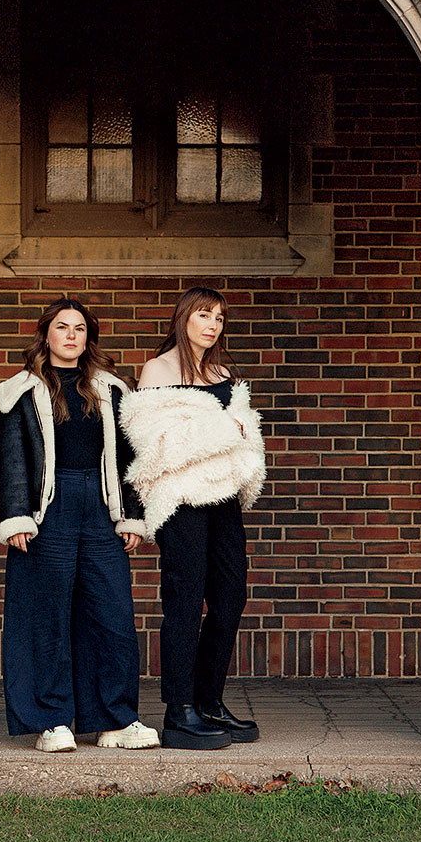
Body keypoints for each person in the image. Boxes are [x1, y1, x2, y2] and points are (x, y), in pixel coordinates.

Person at [0, 297, 158, 752]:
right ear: (45, 334)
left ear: (89, 337)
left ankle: (115, 720)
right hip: (49, 509)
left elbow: (129, 458)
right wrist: (16, 516)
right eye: (62, 327)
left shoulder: (112, 389)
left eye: (80, 328)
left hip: (102, 507)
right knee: (45, 614)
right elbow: (11, 460)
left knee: (112, 614)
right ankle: (52, 720)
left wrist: (132, 515)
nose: (72, 335)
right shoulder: (20, 391)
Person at [120, 287, 266, 749]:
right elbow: (156, 442)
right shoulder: (157, 370)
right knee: (184, 599)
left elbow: (245, 435)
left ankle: (208, 700)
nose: (212, 324)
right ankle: (179, 709)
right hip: (180, 499)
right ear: (184, 317)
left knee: (230, 596)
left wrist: (230, 437)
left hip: (222, 497)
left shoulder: (223, 373)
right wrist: (224, 429)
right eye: (204, 314)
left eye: (220, 318)